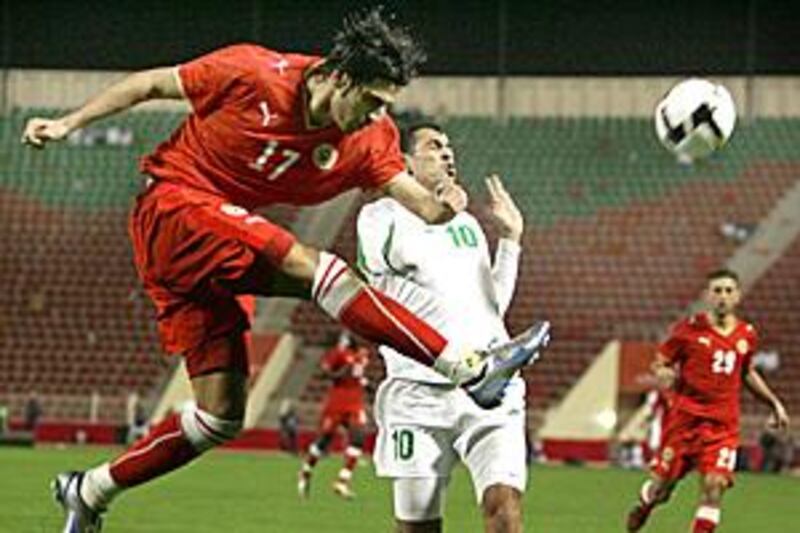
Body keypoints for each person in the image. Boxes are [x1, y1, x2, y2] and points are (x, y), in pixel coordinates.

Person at [21, 8, 549, 531]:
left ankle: (88, 490)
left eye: (384, 106)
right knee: (317, 268)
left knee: (219, 418)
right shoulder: (252, 73)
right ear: (340, 76)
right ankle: (469, 369)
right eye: (369, 100)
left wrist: (448, 205)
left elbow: (423, 205)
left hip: (211, 253)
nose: (374, 117)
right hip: (173, 208)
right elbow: (150, 85)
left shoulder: (369, 137)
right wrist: (68, 123)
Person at [358, 122, 550, 533]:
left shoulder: (468, 225)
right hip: (418, 394)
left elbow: (491, 306)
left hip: (490, 388)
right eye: (433, 147)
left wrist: (511, 241)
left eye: (448, 147)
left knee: (505, 511)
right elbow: (387, 266)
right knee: (418, 528)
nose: (448, 153)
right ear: (404, 161)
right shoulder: (378, 218)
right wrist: (435, 211)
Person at [626, 269, 790, 533]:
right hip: (685, 423)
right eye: (717, 291)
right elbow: (661, 361)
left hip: (722, 427)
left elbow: (746, 372)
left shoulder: (746, 335)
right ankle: (646, 504)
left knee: (714, 486)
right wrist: (664, 372)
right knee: (662, 490)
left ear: (737, 296)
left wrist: (774, 403)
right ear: (707, 296)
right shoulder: (688, 330)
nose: (722, 297)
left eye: (728, 291)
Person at [298, 331, 369, 499]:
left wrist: (368, 385)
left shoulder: (363, 354)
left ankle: (342, 481)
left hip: (355, 402)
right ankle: (306, 470)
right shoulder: (339, 353)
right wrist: (339, 373)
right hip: (337, 402)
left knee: (358, 438)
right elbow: (325, 371)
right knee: (324, 441)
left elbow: (359, 377)